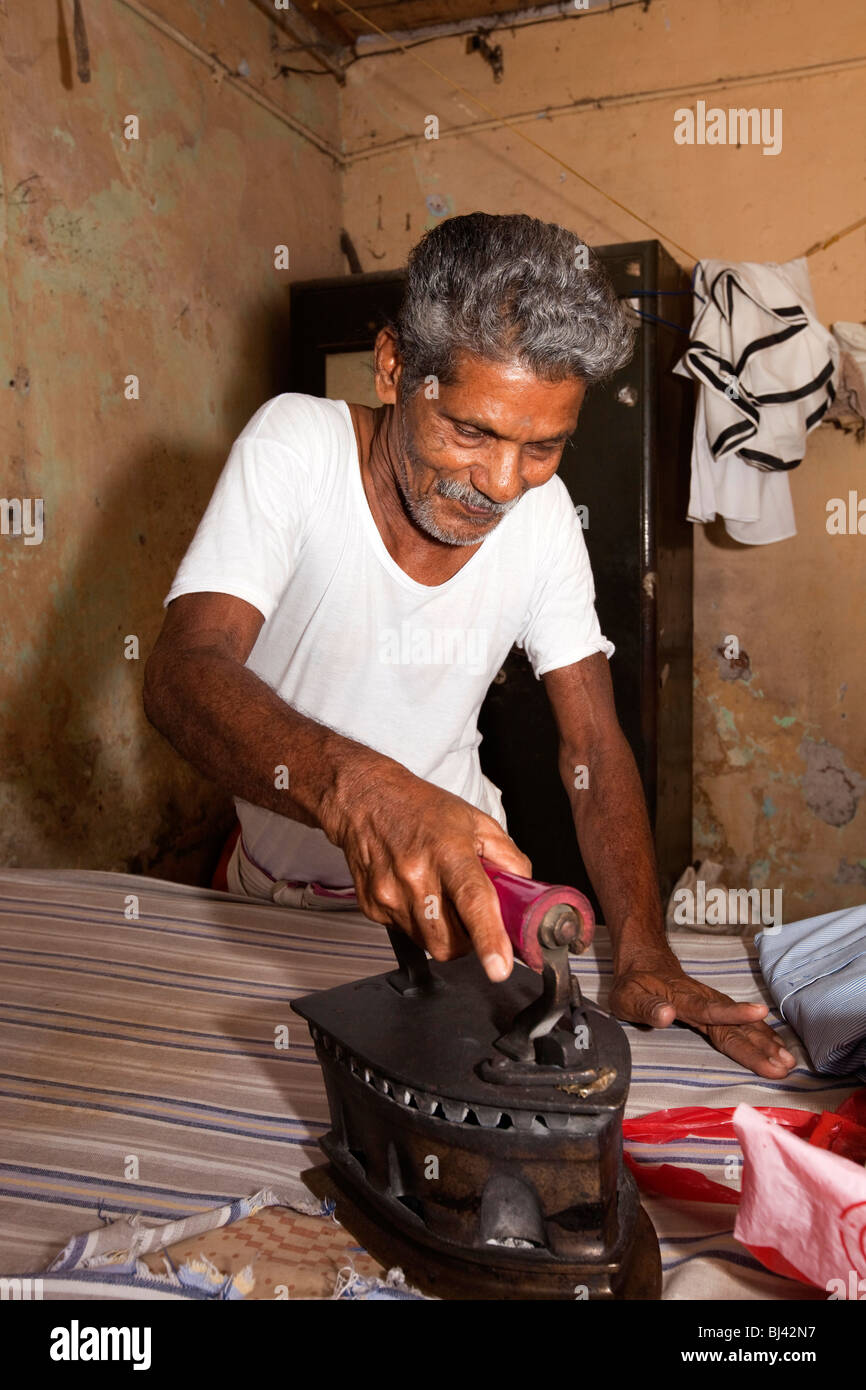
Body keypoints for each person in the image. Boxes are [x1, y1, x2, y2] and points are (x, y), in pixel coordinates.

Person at [143, 212, 795, 1081]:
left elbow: (592, 745)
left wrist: (643, 948)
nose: (500, 484)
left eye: (543, 446)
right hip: (275, 897)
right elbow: (186, 673)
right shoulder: (296, 449)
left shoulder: (544, 520)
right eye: (471, 431)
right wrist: (365, 791)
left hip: (463, 904)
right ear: (392, 369)